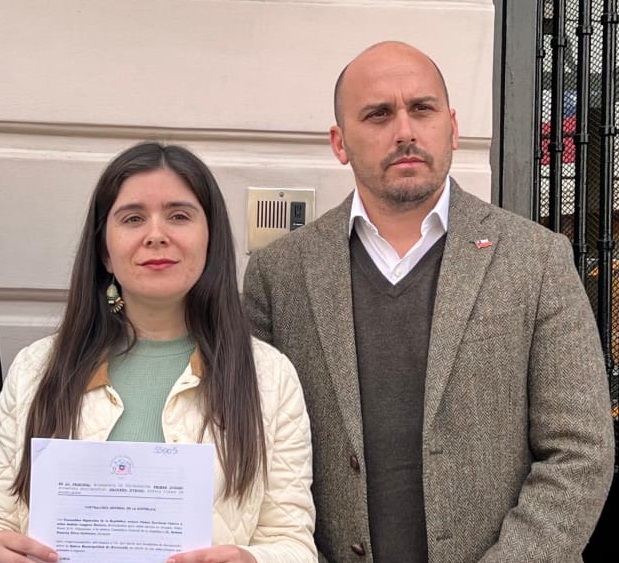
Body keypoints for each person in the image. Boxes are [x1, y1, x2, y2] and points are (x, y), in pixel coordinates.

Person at [242, 41, 615, 562]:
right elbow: (258, 456)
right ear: (340, 142)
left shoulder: (536, 260)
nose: (405, 131)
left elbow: (580, 452)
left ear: (452, 127)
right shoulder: (280, 275)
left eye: (422, 108)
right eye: (378, 114)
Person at [0, 142, 317, 563]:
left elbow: (293, 542)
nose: (156, 235)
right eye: (133, 218)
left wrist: (251, 560)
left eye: (179, 216)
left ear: (211, 239)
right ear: (104, 251)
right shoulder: (35, 369)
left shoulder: (269, 377)